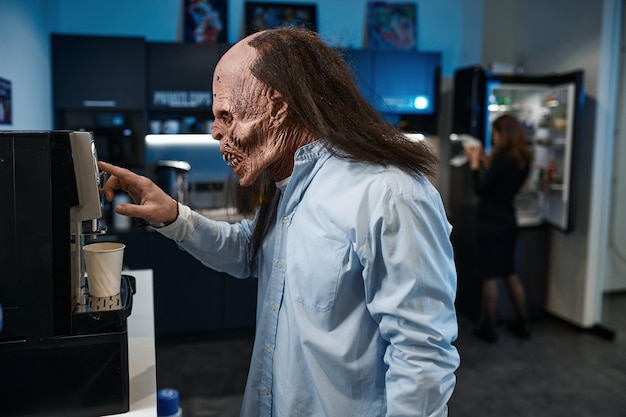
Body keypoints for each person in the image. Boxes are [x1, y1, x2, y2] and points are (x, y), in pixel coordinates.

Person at [99, 27, 459, 417]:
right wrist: (171, 214)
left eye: (226, 115)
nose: (216, 131)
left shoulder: (390, 193)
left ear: (277, 106)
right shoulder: (288, 186)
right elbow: (247, 250)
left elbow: (421, 355)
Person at [464, 114, 532, 343]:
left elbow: (482, 190)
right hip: (507, 220)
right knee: (509, 272)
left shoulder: (503, 160)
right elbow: (501, 180)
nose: (494, 137)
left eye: (495, 133)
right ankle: (523, 323)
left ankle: (489, 327)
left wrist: (474, 165)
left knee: (489, 275)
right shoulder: (523, 158)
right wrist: (485, 161)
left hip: (489, 222)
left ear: (503, 134)